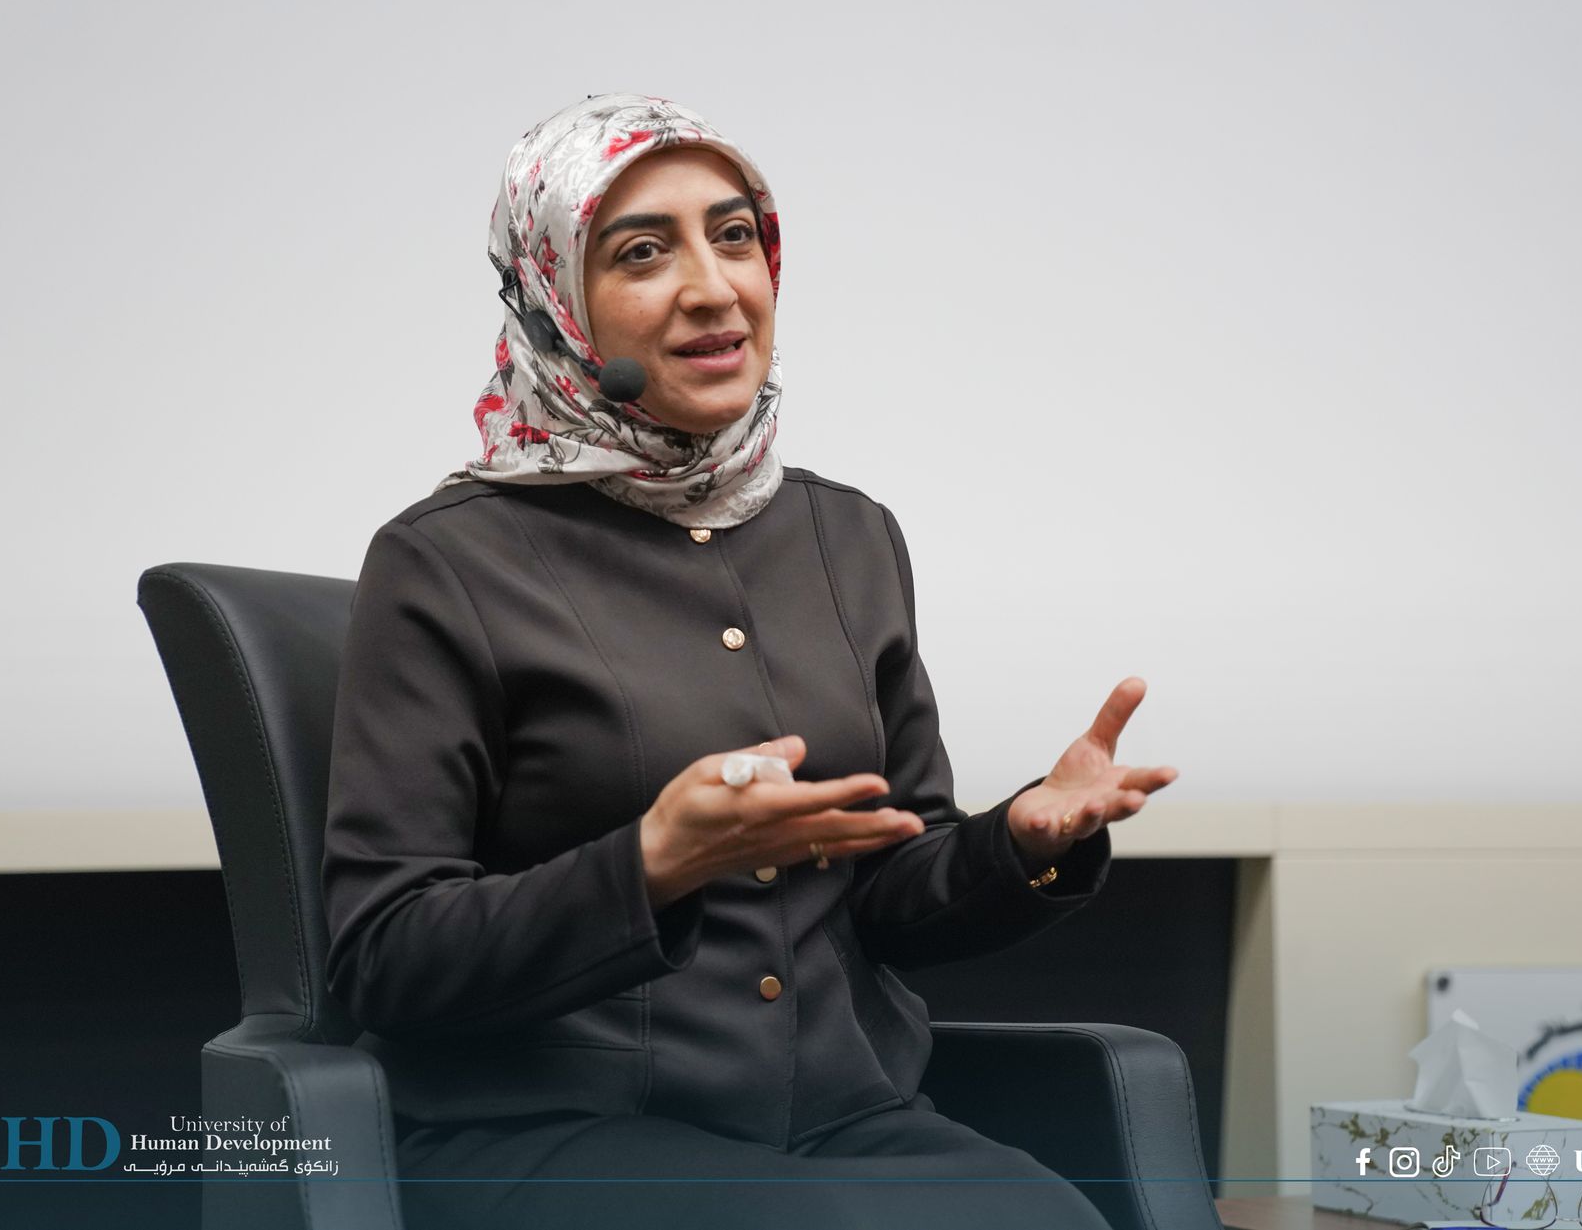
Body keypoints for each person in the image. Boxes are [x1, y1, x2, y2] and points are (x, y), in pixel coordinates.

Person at [322, 92, 1181, 1229]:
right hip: (547, 1130)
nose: (714, 286)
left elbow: (891, 892)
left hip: (839, 1119)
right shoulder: (446, 562)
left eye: (734, 237)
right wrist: (650, 865)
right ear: (554, 300)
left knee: (1056, 1219)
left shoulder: (847, 536)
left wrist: (1020, 841)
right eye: (643, 253)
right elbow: (382, 957)